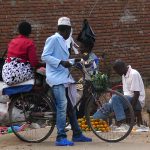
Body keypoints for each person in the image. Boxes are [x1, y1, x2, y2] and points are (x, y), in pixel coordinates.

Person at [41, 17, 92, 146]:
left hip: (64, 77)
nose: (71, 33)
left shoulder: (64, 41)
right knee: (62, 107)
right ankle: (60, 137)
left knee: (71, 108)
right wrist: (60, 62)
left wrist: (76, 62)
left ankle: (77, 134)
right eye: (70, 30)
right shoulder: (53, 39)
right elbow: (45, 56)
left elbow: (65, 60)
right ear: (66, 29)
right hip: (55, 78)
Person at [93, 59, 145, 126]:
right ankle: (92, 120)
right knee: (107, 105)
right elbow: (126, 93)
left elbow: (137, 94)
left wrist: (130, 110)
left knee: (115, 98)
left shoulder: (133, 74)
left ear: (122, 67)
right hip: (127, 100)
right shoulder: (124, 75)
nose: (117, 73)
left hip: (137, 101)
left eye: (117, 71)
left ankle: (122, 122)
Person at [2, 21, 39, 85]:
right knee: (40, 78)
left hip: (6, 74)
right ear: (30, 31)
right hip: (19, 74)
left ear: (19, 31)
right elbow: (34, 63)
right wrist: (43, 65)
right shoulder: (29, 43)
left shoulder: (12, 41)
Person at [76, 19, 99, 118]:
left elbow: (89, 67)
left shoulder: (90, 57)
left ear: (88, 48)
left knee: (86, 103)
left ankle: (81, 118)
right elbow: (83, 66)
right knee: (84, 102)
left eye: (82, 47)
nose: (80, 48)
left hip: (91, 83)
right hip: (87, 82)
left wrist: (82, 63)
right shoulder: (87, 55)